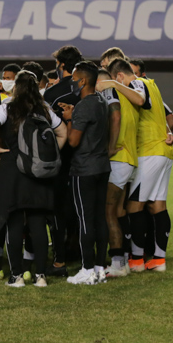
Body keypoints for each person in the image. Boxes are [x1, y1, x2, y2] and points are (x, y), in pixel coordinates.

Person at [0, 71, 68, 288]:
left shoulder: (7, 107)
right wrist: (47, 156)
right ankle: (40, 276)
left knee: (14, 224)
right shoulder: (45, 109)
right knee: (38, 224)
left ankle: (17, 276)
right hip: (39, 174)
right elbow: (63, 133)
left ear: (16, 88)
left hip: (13, 170)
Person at [100, 59, 173, 273]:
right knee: (157, 205)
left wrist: (114, 85)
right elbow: (162, 114)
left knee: (133, 206)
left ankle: (137, 260)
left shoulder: (138, 83)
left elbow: (140, 101)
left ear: (120, 76)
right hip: (162, 151)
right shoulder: (153, 84)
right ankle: (159, 260)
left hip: (149, 151)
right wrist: (168, 133)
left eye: (115, 80)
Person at [60, 61, 111, 286]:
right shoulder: (102, 102)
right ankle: (99, 269)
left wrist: (70, 118)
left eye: (73, 78)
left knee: (85, 219)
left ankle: (87, 269)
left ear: (82, 80)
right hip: (102, 167)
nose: (71, 82)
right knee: (100, 218)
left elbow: (73, 141)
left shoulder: (82, 106)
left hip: (84, 169)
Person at [42, 45, 83, 276]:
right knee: (82, 207)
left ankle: (59, 259)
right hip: (87, 157)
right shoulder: (88, 89)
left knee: (57, 209)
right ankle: (81, 251)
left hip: (61, 159)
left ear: (62, 65)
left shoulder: (52, 94)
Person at [97, 67, 136, 278]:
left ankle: (118, 263)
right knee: (119, 211)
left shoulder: (109, 92)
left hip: (119, 159)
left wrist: (110, 146)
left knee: (108, 212)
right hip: (130, 158)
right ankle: (126, 259)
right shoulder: (128, 96)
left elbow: (116, 117)